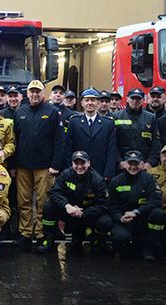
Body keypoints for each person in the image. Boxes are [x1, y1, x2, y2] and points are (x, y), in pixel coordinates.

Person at [11, 80, 64, 249]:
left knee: (43, 202)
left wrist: (55, 164)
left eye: (38, 92)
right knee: (23, 202)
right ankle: (25, 233)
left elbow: (59, 141)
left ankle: (41, 234)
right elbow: (14, 141)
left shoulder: (53, 112)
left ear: (43, 94)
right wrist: (13, 165)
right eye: (31, 91)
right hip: (23, 166)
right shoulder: (20, 113)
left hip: (44, 167)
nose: (34, 94)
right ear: (27, 94)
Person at [38, 150, 111, 253]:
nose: (79, 166)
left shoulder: (97, 180)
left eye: (83, 163)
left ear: (89, 163)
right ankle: (48, 239)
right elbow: (55, 192)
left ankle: (96, 240)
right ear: (72, 163)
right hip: (69, 212)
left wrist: (84, 213)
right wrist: (67, 205)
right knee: (49, 206)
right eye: (76, 163)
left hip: (87, 215)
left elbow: (103, 205)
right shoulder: (65, 174)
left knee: (105, 221)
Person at [107, 150, 165, 261]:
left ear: (142, 164)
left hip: (142, 217)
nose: (133, 167)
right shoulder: (115, 181)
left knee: (159, 214)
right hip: (124, 220)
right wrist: (120, 218)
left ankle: (149, 247)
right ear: (124, 164)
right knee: (120, 237)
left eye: (136, 164)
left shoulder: (149, 179)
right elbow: (111, 206)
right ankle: (124, 247)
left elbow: (156, 201)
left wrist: (137, 212)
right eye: (130, 163)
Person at [61, 88, 119, 180]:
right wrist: (69, 169)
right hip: (78, 169)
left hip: (100, 170)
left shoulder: (108, 123)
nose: (90, 103)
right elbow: (68, 148)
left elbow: (111, 150)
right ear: (82, 103)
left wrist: (109, 172)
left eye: (93, 100)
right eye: (87, 100)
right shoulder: (74, 121)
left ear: (98, 103)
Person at [112, 88, 158, 171]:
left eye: (138, 99)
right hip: (122, 165)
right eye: (132, 98)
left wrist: (150, 162)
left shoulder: (151, 118)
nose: (135, 101)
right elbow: (112, 142)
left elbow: (156, 143)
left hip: (144, 165)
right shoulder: (116, 116)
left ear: (143, 100)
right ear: (127, 99)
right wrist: (119, 161)